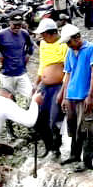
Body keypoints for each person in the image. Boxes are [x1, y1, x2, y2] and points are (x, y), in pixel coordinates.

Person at [58, 25, 93, 171]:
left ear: (77, 38)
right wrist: (64, 97)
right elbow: (68, 75)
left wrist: (90, 96)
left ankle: (87, 162)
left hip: (84, 96)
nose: (68, 45)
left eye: (69, 42)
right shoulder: (70, 52)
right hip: (71, 95)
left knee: (87, 128)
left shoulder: (92, 49)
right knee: (73, 126)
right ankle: (74, 155)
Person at [33, 17, 67, 155]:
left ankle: (56, 147)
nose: (42, 37)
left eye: (43, 34)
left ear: (51, 33)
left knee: (54, 120)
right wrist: (37, 83)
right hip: (44, 85)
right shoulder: (44, 44)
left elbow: (67, 69)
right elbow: (43, 63)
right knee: (38, 118)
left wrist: (63, 91)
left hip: (58, 86)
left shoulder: (64, 44)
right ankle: (48, 146)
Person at [0, 16, 35, 101]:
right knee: (8, 100)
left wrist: (28, 54)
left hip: (21, 73)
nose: (17, 27)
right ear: (10, 23)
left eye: (19, 24)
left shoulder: (24, 33)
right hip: (7, 74)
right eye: (15, 25)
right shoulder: (1, 34)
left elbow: (31, 45)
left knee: (31, 96)